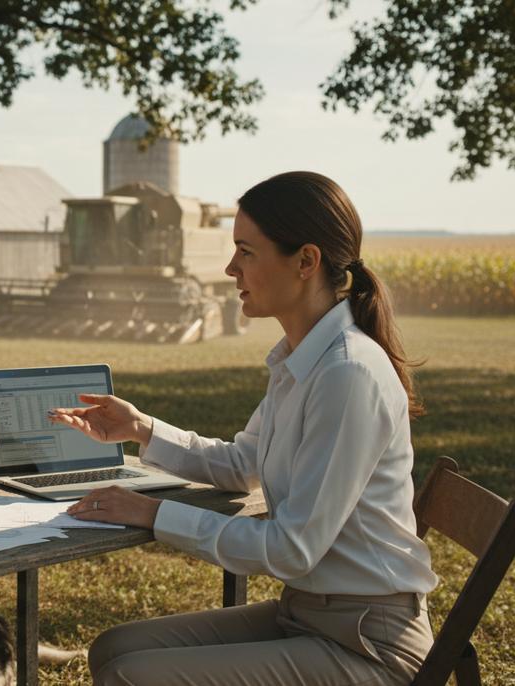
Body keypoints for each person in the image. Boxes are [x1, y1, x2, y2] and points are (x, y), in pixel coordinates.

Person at [49, 171, 437, 686]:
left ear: (305, 261)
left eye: (246, 252)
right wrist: (142, 430)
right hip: (308, 612)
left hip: (368, 642)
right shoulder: (300, 361)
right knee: (113, 648)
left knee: (130, 676)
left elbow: (291, 549)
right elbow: (243, 463)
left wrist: (154, 512)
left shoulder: (347, 374)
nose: (230, 267)